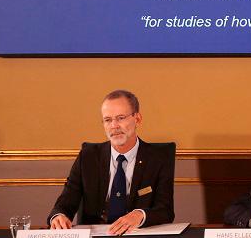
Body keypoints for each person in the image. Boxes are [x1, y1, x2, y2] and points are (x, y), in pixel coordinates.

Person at [48, 90, 175, 234]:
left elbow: (165, 211)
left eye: (121, 118)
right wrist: (59, 216)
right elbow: (66, 202)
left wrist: (140, 215)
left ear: (137, 119)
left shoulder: (158, 157)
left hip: (137, 234)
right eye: (108, 120)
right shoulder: (88, 155)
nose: (114, 126)